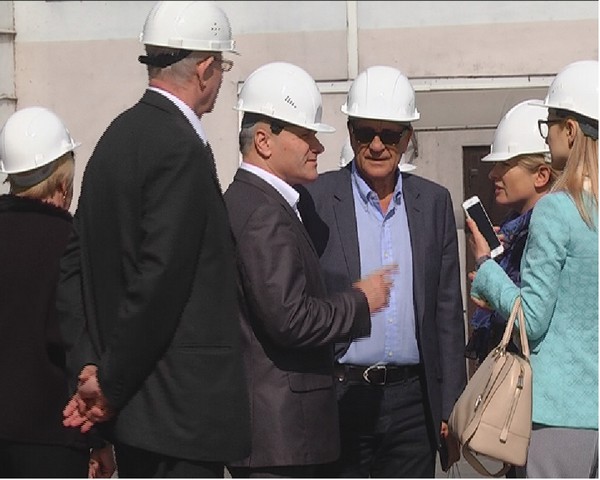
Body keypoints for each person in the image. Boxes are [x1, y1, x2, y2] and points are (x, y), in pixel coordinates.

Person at [56, 1, 251, 477]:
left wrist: (88, 367)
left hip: (135, 417)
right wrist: (109, 383)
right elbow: (160, 279)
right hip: (178, 415)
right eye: (222, 68)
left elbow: (73, 267)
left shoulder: (115, 138)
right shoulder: (180, 147)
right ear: (205, 68)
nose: (220, 80)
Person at [224, 61, 395, 478]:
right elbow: (290, 319)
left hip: (280, 437)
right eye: (305, 135)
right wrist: (360, 301)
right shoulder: (264, 212)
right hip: (283, 439)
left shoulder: (258, 202)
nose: (317, 147)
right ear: (263, 141)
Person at [298, 65, 466, 478]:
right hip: (340, 397)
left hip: (413, 404)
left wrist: (452, 405)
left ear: (407, 138)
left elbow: (447, 312)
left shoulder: (434, 203)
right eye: (364, 133)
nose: (376, 145)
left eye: (389, 135)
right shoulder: (316, 199)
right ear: (350, 132)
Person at [468, 59, 598, 478]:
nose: (548, 134)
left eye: (550, 124)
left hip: (559, 413)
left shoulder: (558, 210)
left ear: (570, 131)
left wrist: (488, 270)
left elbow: (532, 319)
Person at [0, 106, 115, 478]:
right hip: (53, 436)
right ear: (63, 184)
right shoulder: (72, 243)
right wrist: (99, 440)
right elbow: (78, 345)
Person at [464, 100, 558, 365]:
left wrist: (485, 263)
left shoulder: (549, 230)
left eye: (505, 164)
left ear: (541, 175)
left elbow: (531, 319)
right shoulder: (515, 231)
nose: (493, 174)